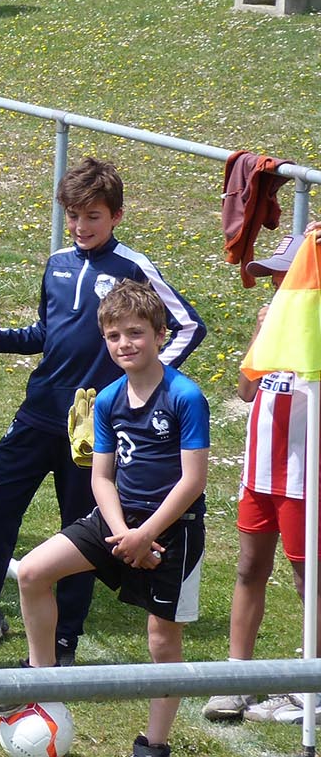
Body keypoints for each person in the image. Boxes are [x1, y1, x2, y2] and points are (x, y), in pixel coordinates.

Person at [0, 156, 205, 670]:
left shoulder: (133, 267)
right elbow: (46, 333)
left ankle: (63, 643)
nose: (81, 226)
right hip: (38, 412)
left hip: (92, 427)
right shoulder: (58, 263)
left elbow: (189, 326)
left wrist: (135, 384)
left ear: (116, 216)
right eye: (73, 215)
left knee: (79, 527)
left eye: (93, 216)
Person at [12, 280, 208, 757]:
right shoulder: (106, 399)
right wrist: (123, 533)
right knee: (32, 571)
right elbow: (101, 477)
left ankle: (154, 743)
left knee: (161, 637)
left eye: (136, 333)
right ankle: (42, 687)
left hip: (173, 528)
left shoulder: (185, 396)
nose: (125, 344)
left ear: (160, 335)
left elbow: (193, 480)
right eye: (114, 336)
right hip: (117, 520)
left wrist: (145, 535)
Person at [204, 235, 314, 724]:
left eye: (284, 276)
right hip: (259, 474)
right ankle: (237, 677)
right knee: (250, 568)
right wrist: (259, 334)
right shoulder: (270, 325)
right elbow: (247, 391)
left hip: (304, 479)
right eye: (271, 277)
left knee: (308, 580)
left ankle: (312, 682)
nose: (275, 285)